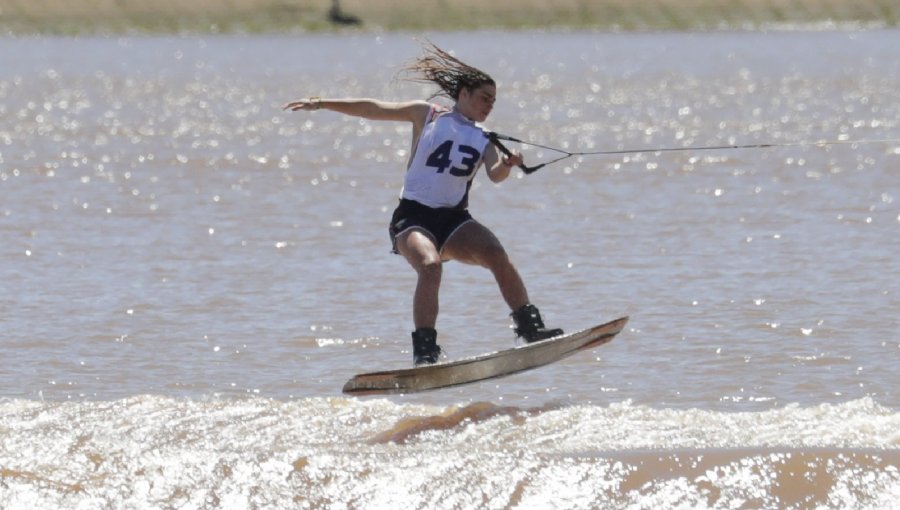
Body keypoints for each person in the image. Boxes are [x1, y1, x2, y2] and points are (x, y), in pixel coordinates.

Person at [284, 41, 562, 365]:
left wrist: (510, 163)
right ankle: (426, 353)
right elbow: (373, 108)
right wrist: (321, 103)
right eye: (484, 98)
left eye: (494, 101)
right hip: (413, 218)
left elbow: (495, 175)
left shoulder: (485, 138)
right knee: (429, 267)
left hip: (456, 222)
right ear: (463, 94)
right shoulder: (427, 115)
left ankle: (530, 329)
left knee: (497, 254)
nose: (489, 106)